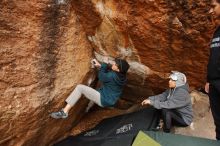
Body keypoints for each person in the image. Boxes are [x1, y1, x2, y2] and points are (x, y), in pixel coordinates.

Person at [50, 58, 130, 119]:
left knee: (79, 88)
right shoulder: (123, 77)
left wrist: (104, 64)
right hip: (110, 100)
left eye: (116, 64)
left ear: (118, 69)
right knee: (94, 91)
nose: (114, 64)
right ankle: (88, 108)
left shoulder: (112, 76)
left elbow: (101, 76)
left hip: (103, 99)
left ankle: (65, 111)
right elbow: (111, 72)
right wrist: (101, 65)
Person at [205, 0, 220, 140]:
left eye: (213, 6)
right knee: (218, 121)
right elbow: (213, 57)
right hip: (214, 84)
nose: (211, 11)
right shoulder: (216, 32)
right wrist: (209, 80)